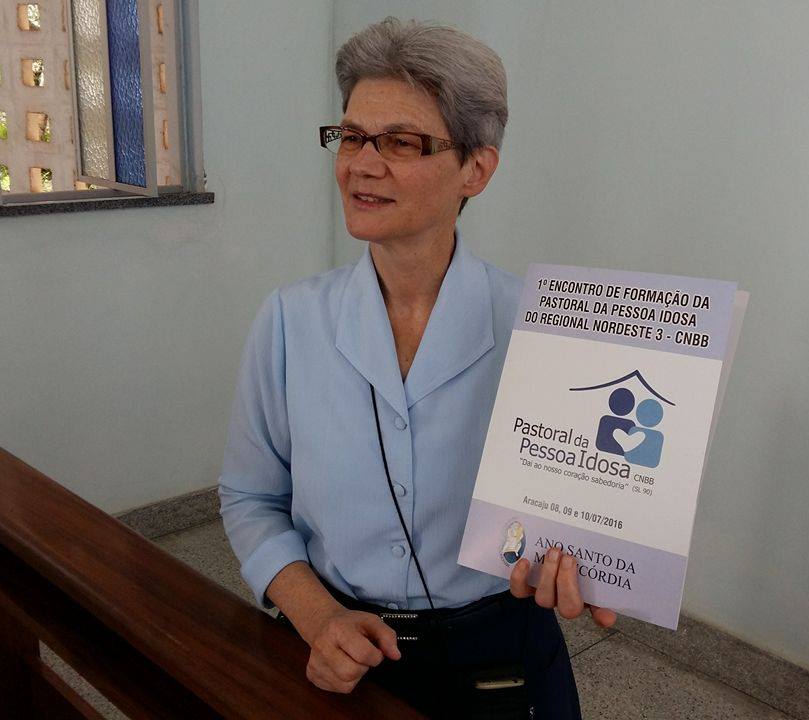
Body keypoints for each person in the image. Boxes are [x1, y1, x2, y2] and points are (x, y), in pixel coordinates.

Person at [218, 17, 614, 718]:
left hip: (500, 655)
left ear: (476, 170)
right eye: (351, 136)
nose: (361, 164)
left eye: (402, 142)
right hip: (339, 651)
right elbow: (250, 498)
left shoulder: (541, 328)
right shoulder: (289, 322)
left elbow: (587, 507)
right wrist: (316, 615)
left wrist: (592, 561)